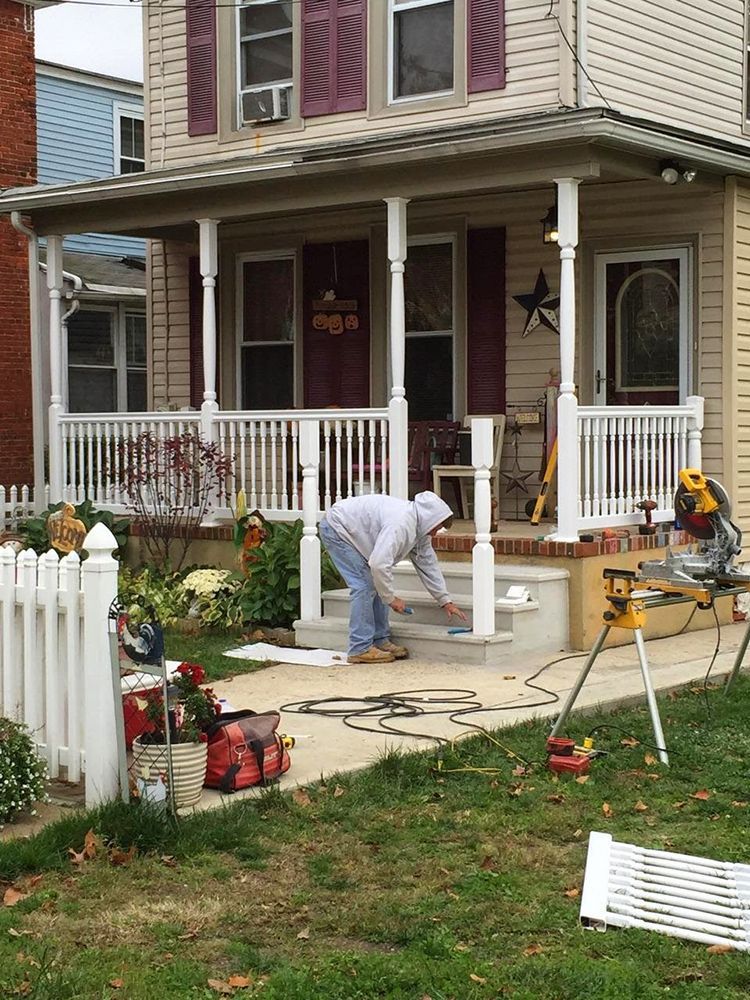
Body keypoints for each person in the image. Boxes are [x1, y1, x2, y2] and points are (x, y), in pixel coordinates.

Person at [319, 491, 468, 664]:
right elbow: (379, 564)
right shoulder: (401, 523)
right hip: (337, 528)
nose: (435, 533)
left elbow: (428, 564)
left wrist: (445, 600)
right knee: (364, 585)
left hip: (353, 530)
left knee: (377, 582)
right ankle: (359, 647)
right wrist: (391, 599)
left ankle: (379, 640)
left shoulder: (420, 529)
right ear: (429, 518)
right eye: (436, 527)